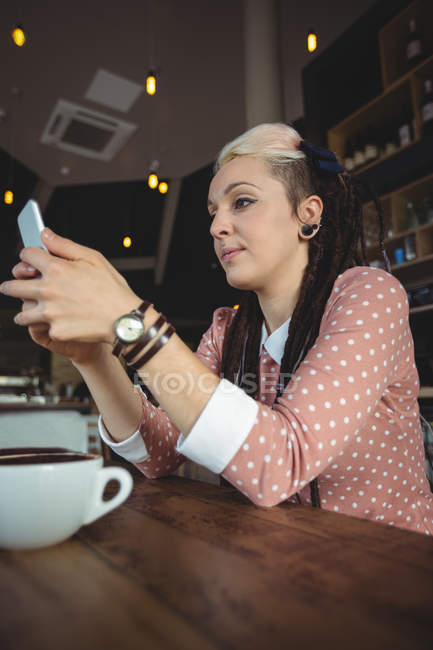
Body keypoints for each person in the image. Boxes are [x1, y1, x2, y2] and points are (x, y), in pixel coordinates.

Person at [2, 122, 432, 535]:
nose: (216, 226)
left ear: (308, 213)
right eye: (213, 211)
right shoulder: (228, 331)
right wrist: (93, 356)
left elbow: (282, 460)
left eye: (241, 201)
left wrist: (130, 319)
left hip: (390, 574)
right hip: (287, 573)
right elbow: (160, 452)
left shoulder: (369, 296)